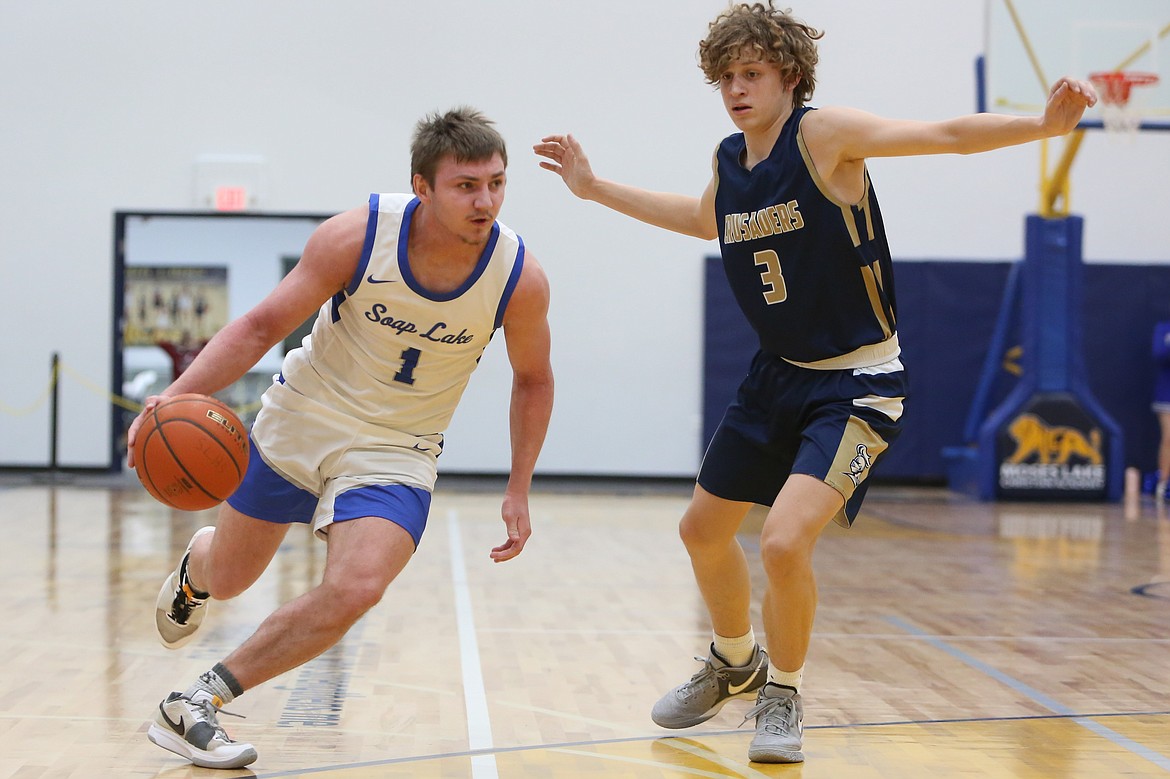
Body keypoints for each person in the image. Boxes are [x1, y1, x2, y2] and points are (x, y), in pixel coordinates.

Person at [534, 2, 1095, 764]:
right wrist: (594, 188)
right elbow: (702, 220)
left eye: (752, 74)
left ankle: (784, 692)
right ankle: (735, 661)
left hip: (858, 382)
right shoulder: (730, 161)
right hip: (777, 375)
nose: (737, 88)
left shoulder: (823, 137)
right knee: (699, 530)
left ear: (789, 77)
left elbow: (942, 136)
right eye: (727, 77)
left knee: (784, 539)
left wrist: (1044, 126)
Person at [129, 107, 554, 770]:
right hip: (305, 413)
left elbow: (533, 380)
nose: (486, 200)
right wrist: (177, 397)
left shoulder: (516, 276)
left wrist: (519, 486)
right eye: (466, 185)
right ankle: (200, 566)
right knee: (234, 578)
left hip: (400, 444)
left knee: (357, 585)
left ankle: (196, 701)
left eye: (497, 183)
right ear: (423, 188)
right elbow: (260, 325)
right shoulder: (359, 236)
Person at [1152, 321, 1170, 499]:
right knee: (1168, 437)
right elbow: (1159, 354)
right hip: (1167, 395)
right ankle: (1163, 484)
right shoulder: (1164, 329)